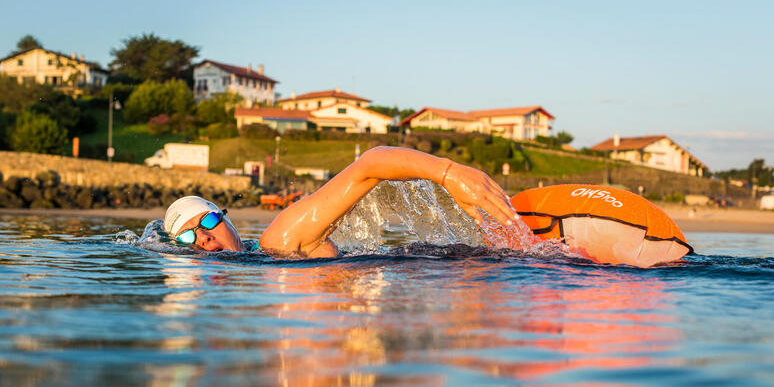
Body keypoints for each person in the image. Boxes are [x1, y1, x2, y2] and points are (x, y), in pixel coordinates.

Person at [163, 146, 519, 258]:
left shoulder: (279, 242)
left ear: (225, 218)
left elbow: (371, 164)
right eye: (188, 238)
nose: (205, 238)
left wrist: (449, 173)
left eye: (207, 222)